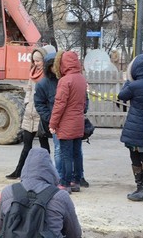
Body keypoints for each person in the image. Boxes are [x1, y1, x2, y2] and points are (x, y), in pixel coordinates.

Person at [0, 148, 81, 237]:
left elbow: (0, 226)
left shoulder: (8, 191)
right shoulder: (60, 196)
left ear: (26, 167)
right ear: (50, 168)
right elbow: (75, 233)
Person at [6, 45, 55, 179]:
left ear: (44, 61)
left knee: (44, 146)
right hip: (30, 113)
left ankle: (48, 174)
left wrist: (44, 111)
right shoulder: (32, 72)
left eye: (38, 61)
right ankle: (19, 171)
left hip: (41, 114)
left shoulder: (48, 76)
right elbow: (28, 89)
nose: (35, 63)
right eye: (34, 61)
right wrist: (27, 102)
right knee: (26, 145)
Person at [117, 53, 143, 202]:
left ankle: (140, 188)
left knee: (135, 156)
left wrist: (127, 81)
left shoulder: (134, 86)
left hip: (135, 126)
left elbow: (122, 96)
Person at [49, 50, 87, 193]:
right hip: (78, 122)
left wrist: (53, 124)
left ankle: (64, 184)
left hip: (66, 123)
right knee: (77, 153)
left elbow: (59, 104)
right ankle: (76, 181)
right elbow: (83, 103)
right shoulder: (81, 79)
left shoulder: (65, 81)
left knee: (66, 155)